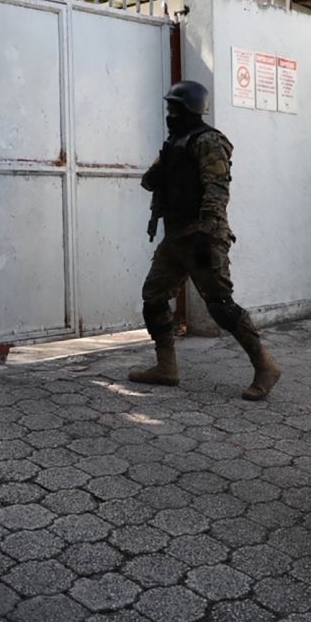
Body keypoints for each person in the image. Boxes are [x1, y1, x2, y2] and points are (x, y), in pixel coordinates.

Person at [128, 80, 282, 401]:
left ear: (190, 109)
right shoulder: (175, 142)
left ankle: (265, 366)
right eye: (169, 108)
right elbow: (149, 180)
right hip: (175, 238)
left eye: (175, 108)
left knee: (221, 307)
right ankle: (166, 368)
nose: (169, 114)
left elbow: (217, 192)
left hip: (202, 237)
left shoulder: (209, 141)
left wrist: (207, 234)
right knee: (153, 297)